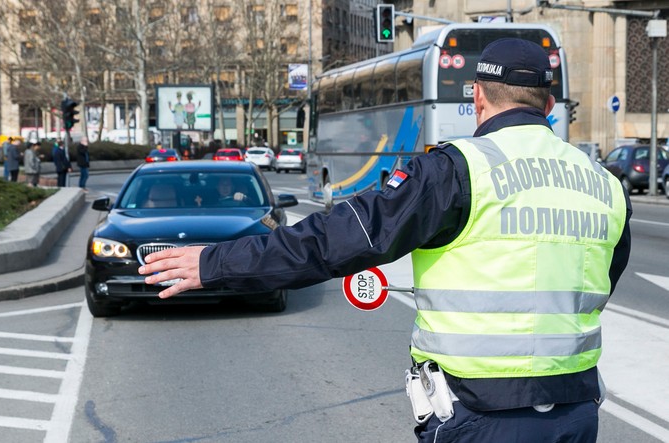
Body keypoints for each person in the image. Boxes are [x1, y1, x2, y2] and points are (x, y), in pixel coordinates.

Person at [139, 38, 632, 442]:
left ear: (477, 97)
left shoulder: (455, 170)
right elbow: (600, 281)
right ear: (548, 105)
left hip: (483, 414)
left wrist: (216, 263)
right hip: (575, 412)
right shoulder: (604, 183)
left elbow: (333, 242)